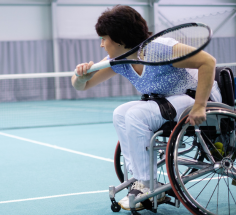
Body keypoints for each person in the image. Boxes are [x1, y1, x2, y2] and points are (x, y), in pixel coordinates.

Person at [71, 5, 221, 211]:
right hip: (165, 103)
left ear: (120, 39)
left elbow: (208, 62)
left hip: (193, 98)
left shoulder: (161, 49)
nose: (101, 45)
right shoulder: (119, 60)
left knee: (136, 115)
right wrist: (81, 76)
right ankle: (138, 178)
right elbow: (82, 85)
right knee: (121, 113)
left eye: (104, 38)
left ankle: (147, 185)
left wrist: (200, 106)